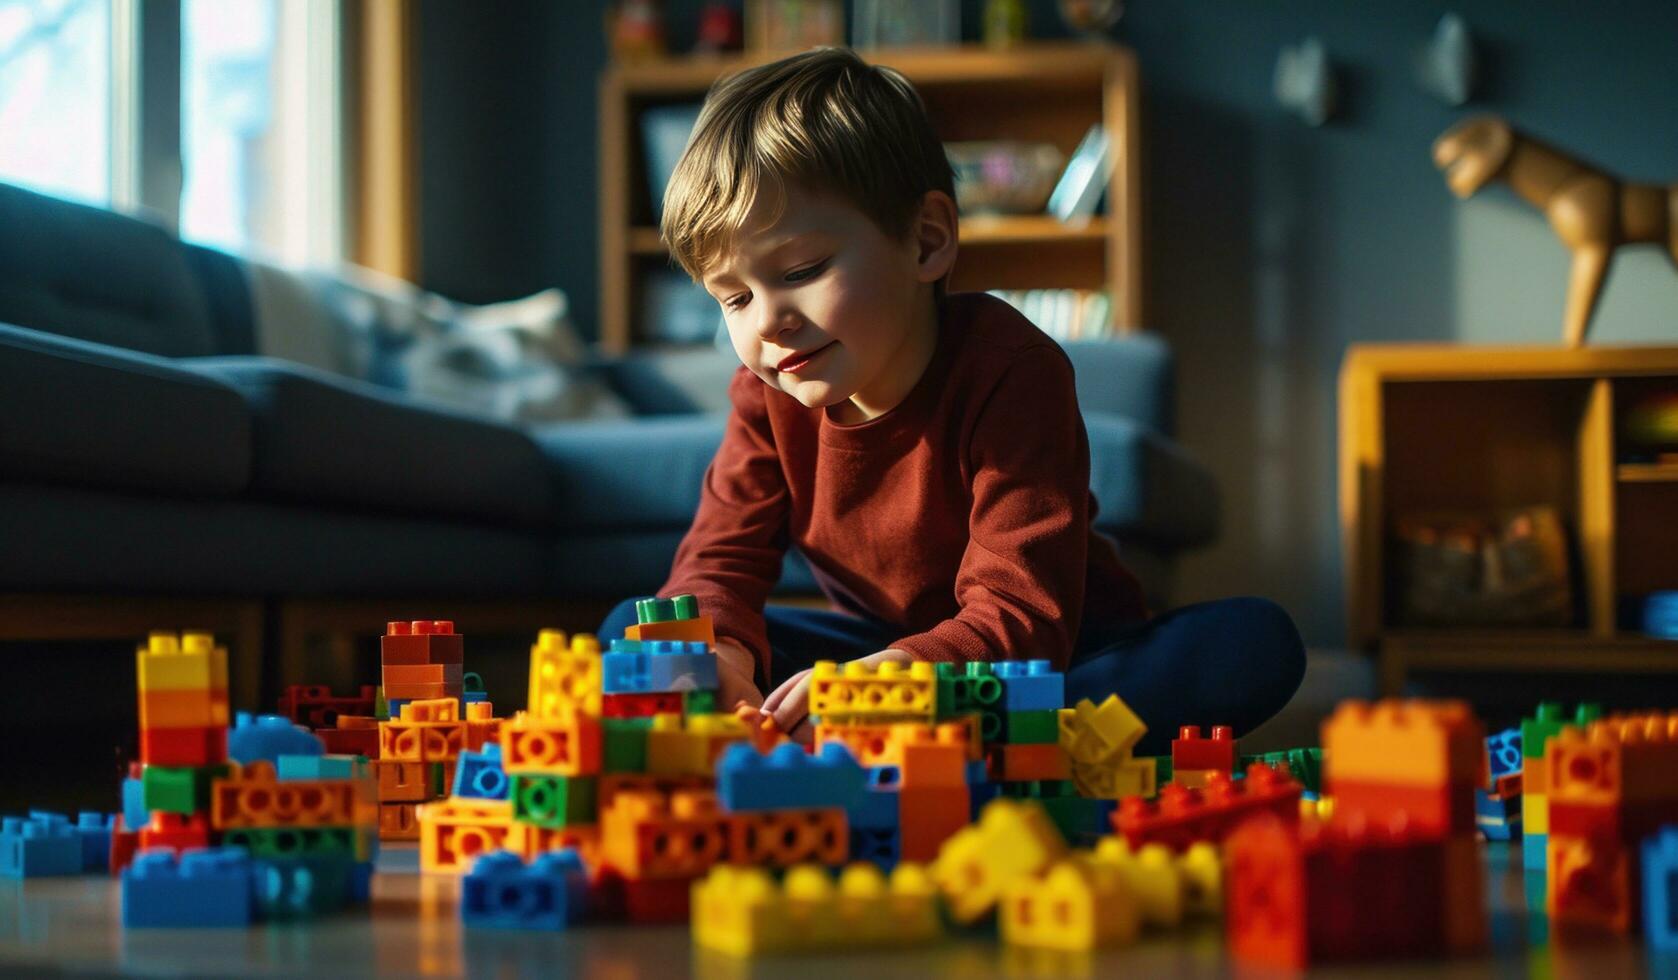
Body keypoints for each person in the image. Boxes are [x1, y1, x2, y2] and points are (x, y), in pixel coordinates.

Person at [598, 46, 1303, 755]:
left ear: (927, 241)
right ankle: (984, 748)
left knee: (1251, 643)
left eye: (803, 270)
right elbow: (719, 558)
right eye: (735, 297)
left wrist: (897, 684)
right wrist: (722, 659)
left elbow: (1020, 607)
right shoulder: (765, 393)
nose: (766, 322)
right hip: (888, 651)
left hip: (1047, 655)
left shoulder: (1011, 370)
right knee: (645, 632)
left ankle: (979, 739)